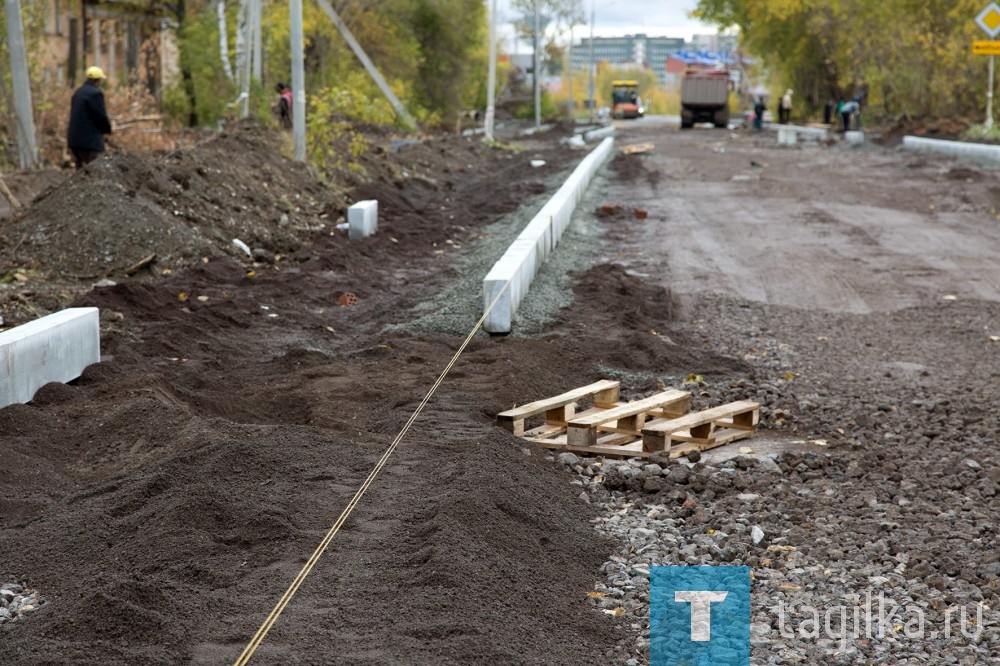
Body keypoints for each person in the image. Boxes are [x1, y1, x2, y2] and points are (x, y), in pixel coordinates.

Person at [67, 66, 112, 169]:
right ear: (98, 80)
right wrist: (107, 130)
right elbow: (100, 116)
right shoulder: (95, 94)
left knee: (80, 173)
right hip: (90, 142)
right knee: (95, 171)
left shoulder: (78, 92)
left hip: (75, 140)